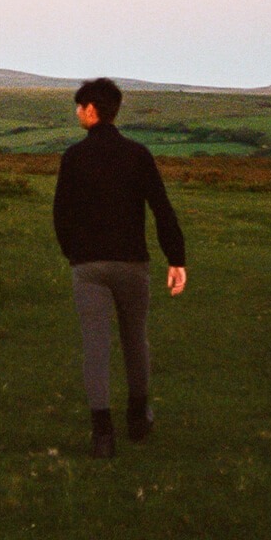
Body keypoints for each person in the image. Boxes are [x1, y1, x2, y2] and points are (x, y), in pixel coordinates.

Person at [53, 78, 187, 459]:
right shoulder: (138, 154)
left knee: (95, 348)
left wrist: (74, 254)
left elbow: (60, 215)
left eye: (80, 107)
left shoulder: (73, 157)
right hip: (132, 264)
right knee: (135, 340)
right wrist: (176, 258)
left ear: (92, 110)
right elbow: (162, 209)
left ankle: (102, 435)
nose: (77, 112)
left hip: (89, 266)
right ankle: (138, 419)